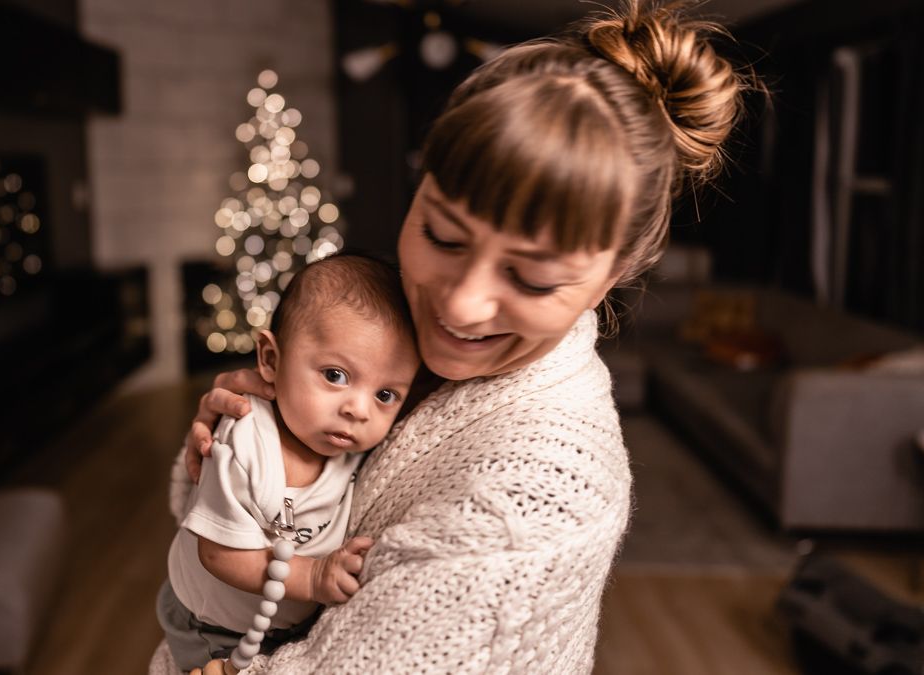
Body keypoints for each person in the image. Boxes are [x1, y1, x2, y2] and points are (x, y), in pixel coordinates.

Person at [151, 1, 757, 672]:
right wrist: (240, 451)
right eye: (442, 235)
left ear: (616, 273)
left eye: (530, 279)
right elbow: (216, 525)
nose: (462, 307)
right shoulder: (388, 327)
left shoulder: (545, 494)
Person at [158, 254, 420, 672]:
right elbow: (218, 554)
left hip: (283, 616)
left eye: (385, 395)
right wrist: (312, 579)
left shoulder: (353, 446)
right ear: (271, 360)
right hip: (212, 620)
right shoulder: (245, 442)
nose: (358, 409)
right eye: (335, 375)